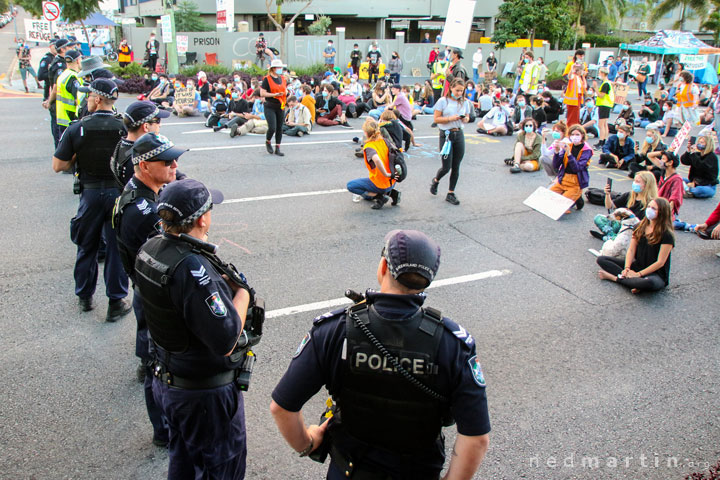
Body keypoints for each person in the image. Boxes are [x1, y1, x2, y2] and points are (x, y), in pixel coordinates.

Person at [270, 230, 490, 480]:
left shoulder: (334, 330)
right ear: (428, 280)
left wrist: (308, 444)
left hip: (348, 472)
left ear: (384, 265)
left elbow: (282, 407)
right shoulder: (454, 345)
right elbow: (476, 438)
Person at [134, 178, 253, 479]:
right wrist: (242, 296)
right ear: (202, 218)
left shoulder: (150, 248)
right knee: (221, 466)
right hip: (203, 396)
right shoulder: (192, 268)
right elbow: (226, 337)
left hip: (169, 382)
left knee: (184, 460)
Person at [113, 133, 186, 446]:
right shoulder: (145, 212)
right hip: (154, 291)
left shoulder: (141, 191)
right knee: (161, 364)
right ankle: (163, 430)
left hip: (145, 285)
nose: (174, 166)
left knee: (154, 356)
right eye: (166, 161)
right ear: (143, 165)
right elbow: (171, 256)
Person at [51, 79, 131, 321]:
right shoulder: (124, 127)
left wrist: (78, 155)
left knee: (87, 245)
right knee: (116, 248)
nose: (86, 99)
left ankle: (85, 297)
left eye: (89, 96)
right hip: (118, 194)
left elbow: (58, 165)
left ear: (97, 99)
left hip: (91, 192)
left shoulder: (77, 128)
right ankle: (116, 301)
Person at [597, 197, 675, 293]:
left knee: (649, 283)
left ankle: (615, 278)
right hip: (637, 266)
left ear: (662, 212)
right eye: (649, 207)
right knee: (602, 259)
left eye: (654, 208)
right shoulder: (640, 226)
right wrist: (627, 268)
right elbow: (631, 250)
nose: (649, 210)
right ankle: (632, 282)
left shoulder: (666, 234)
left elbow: (660, 262)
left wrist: (638, 274)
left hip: (655, 273)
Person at [431, 79, 473, 205]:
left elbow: (468, 116)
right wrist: (450, 118)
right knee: (446, 166)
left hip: (459, 133)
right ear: (451, 89)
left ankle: (451, 192)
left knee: (456, 166)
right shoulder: (443, 101)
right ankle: (436, 180)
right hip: (447, 134)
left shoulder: (464, 102)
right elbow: (436, 119)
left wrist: (465, 118)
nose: (459, 93)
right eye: (457, 90)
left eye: (462, 90)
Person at [112, 101, 171, 188]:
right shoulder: (141, 156)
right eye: (157, 121)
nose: (160, 125)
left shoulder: (122, 145)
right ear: (146, 126)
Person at [346, 118, 399, 209]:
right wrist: (391, 174)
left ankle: (381, 197)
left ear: (366, 133)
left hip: (381, 182)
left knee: (351, 186)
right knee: (366, 192)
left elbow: (377, 160)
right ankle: (392, 193)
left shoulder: (370, 147)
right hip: (393, 180)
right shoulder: (385, 141)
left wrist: (386, 174)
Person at [593, 171, 658, 239]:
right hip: (621, 225)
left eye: (638, 182)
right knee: (599, 218)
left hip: (634, 229)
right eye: (634, 181)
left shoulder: (651, 203)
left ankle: (612, 238)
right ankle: (613, 237)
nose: (634, 183)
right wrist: (607, 194)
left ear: (647, 185)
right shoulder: (629, 195)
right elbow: (609, 206)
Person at [550, 124, 591, 210]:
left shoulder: (586, 150)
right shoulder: (569, 145)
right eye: (572, 134)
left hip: (575, 182)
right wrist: (557, 152)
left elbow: (577, 168)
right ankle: (575, 198)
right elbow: (556, 165)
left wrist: (569, 154)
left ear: (582, 135)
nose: (574, 137)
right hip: (563, 179)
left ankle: (575, 197)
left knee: (559, 208)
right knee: (547, 199)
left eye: (577, 135)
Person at [261, 59, 288, 156]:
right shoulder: (267, 79)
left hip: (280, 105)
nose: (280, 69)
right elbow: (262, 93)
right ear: (273, 69)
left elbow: (284, 90)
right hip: (270, 105)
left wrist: (286, 92)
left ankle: (278, 147)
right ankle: (268, 141)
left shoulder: (282, 78)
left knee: (279, 127)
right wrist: (274, 94)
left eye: (281, 67)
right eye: (278, 67)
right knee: (272, 127)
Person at [55, 49, 83, 139]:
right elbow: (78, 100)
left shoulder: (63, 75)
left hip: (62, 117)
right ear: (78, 60)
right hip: (70, 118)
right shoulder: (73, 78)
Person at [680, 133, 719, 198]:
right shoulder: (697, 154)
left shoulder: (712, 157)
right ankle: (686, 189)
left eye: (702, 142)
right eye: (698, 142)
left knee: (701, 190)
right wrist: (688, 151)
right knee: (679, 179)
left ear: (708, 144)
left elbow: (701, 166)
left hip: (706, 185)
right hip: (693, 182)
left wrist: (695, 184)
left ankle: (688, 190)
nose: (699, 144)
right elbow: (684, 161)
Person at [655, 151, 684, 217]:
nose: (661, 161)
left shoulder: (677, 179)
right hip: (657, 205)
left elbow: (674, 199)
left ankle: (682, 224)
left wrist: (666, 215)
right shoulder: (664, 173)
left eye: (663, 159)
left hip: (665, 210)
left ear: (670, 163)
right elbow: (650, 155)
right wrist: (663, 152)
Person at [594, 67, 614, 150]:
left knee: (601, 125)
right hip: (607, 105)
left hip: (604, 105)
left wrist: (595, 88)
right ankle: (604, 141)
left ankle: (601, 142)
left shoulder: (605, 84)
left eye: (599, 73)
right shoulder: (608, 83)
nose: (599, 74)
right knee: (605, 124)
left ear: (602, 73)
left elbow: (601, 95)